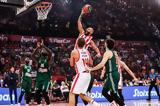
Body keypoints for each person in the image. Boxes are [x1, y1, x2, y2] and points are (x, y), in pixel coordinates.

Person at [86, 38, 125, 106]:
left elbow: (102, 64)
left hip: (112, 74)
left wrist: (91, 69)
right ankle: (113, 103)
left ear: (106, 44)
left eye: (105, 42)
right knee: (104, 92)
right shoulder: (113, 52)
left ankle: (123, 105)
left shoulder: (108, 52)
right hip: (111, 74)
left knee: (114, 93)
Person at [69, 38, 101, 106]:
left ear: (77, 43)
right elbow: (91, 63)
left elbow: (71, 64)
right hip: (88, 75)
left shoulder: (74, 52)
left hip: (81, 74)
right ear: (84, 44)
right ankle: (96, 104)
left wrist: (71, 59)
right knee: (82, 94)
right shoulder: (87, 51)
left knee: (72, 93)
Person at [32, 40, 52, 106]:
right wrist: (38, 47)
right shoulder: (38, 59)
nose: (43, 50)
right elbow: (32, 55)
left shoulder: (48, 59)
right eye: (42, 50)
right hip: (39, 77)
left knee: (44, 92)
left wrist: (43, 46)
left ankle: (48, 103)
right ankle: (39, 103)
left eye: (44, 50)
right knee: (37, 92)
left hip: (46, 78)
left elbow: (50, 52)